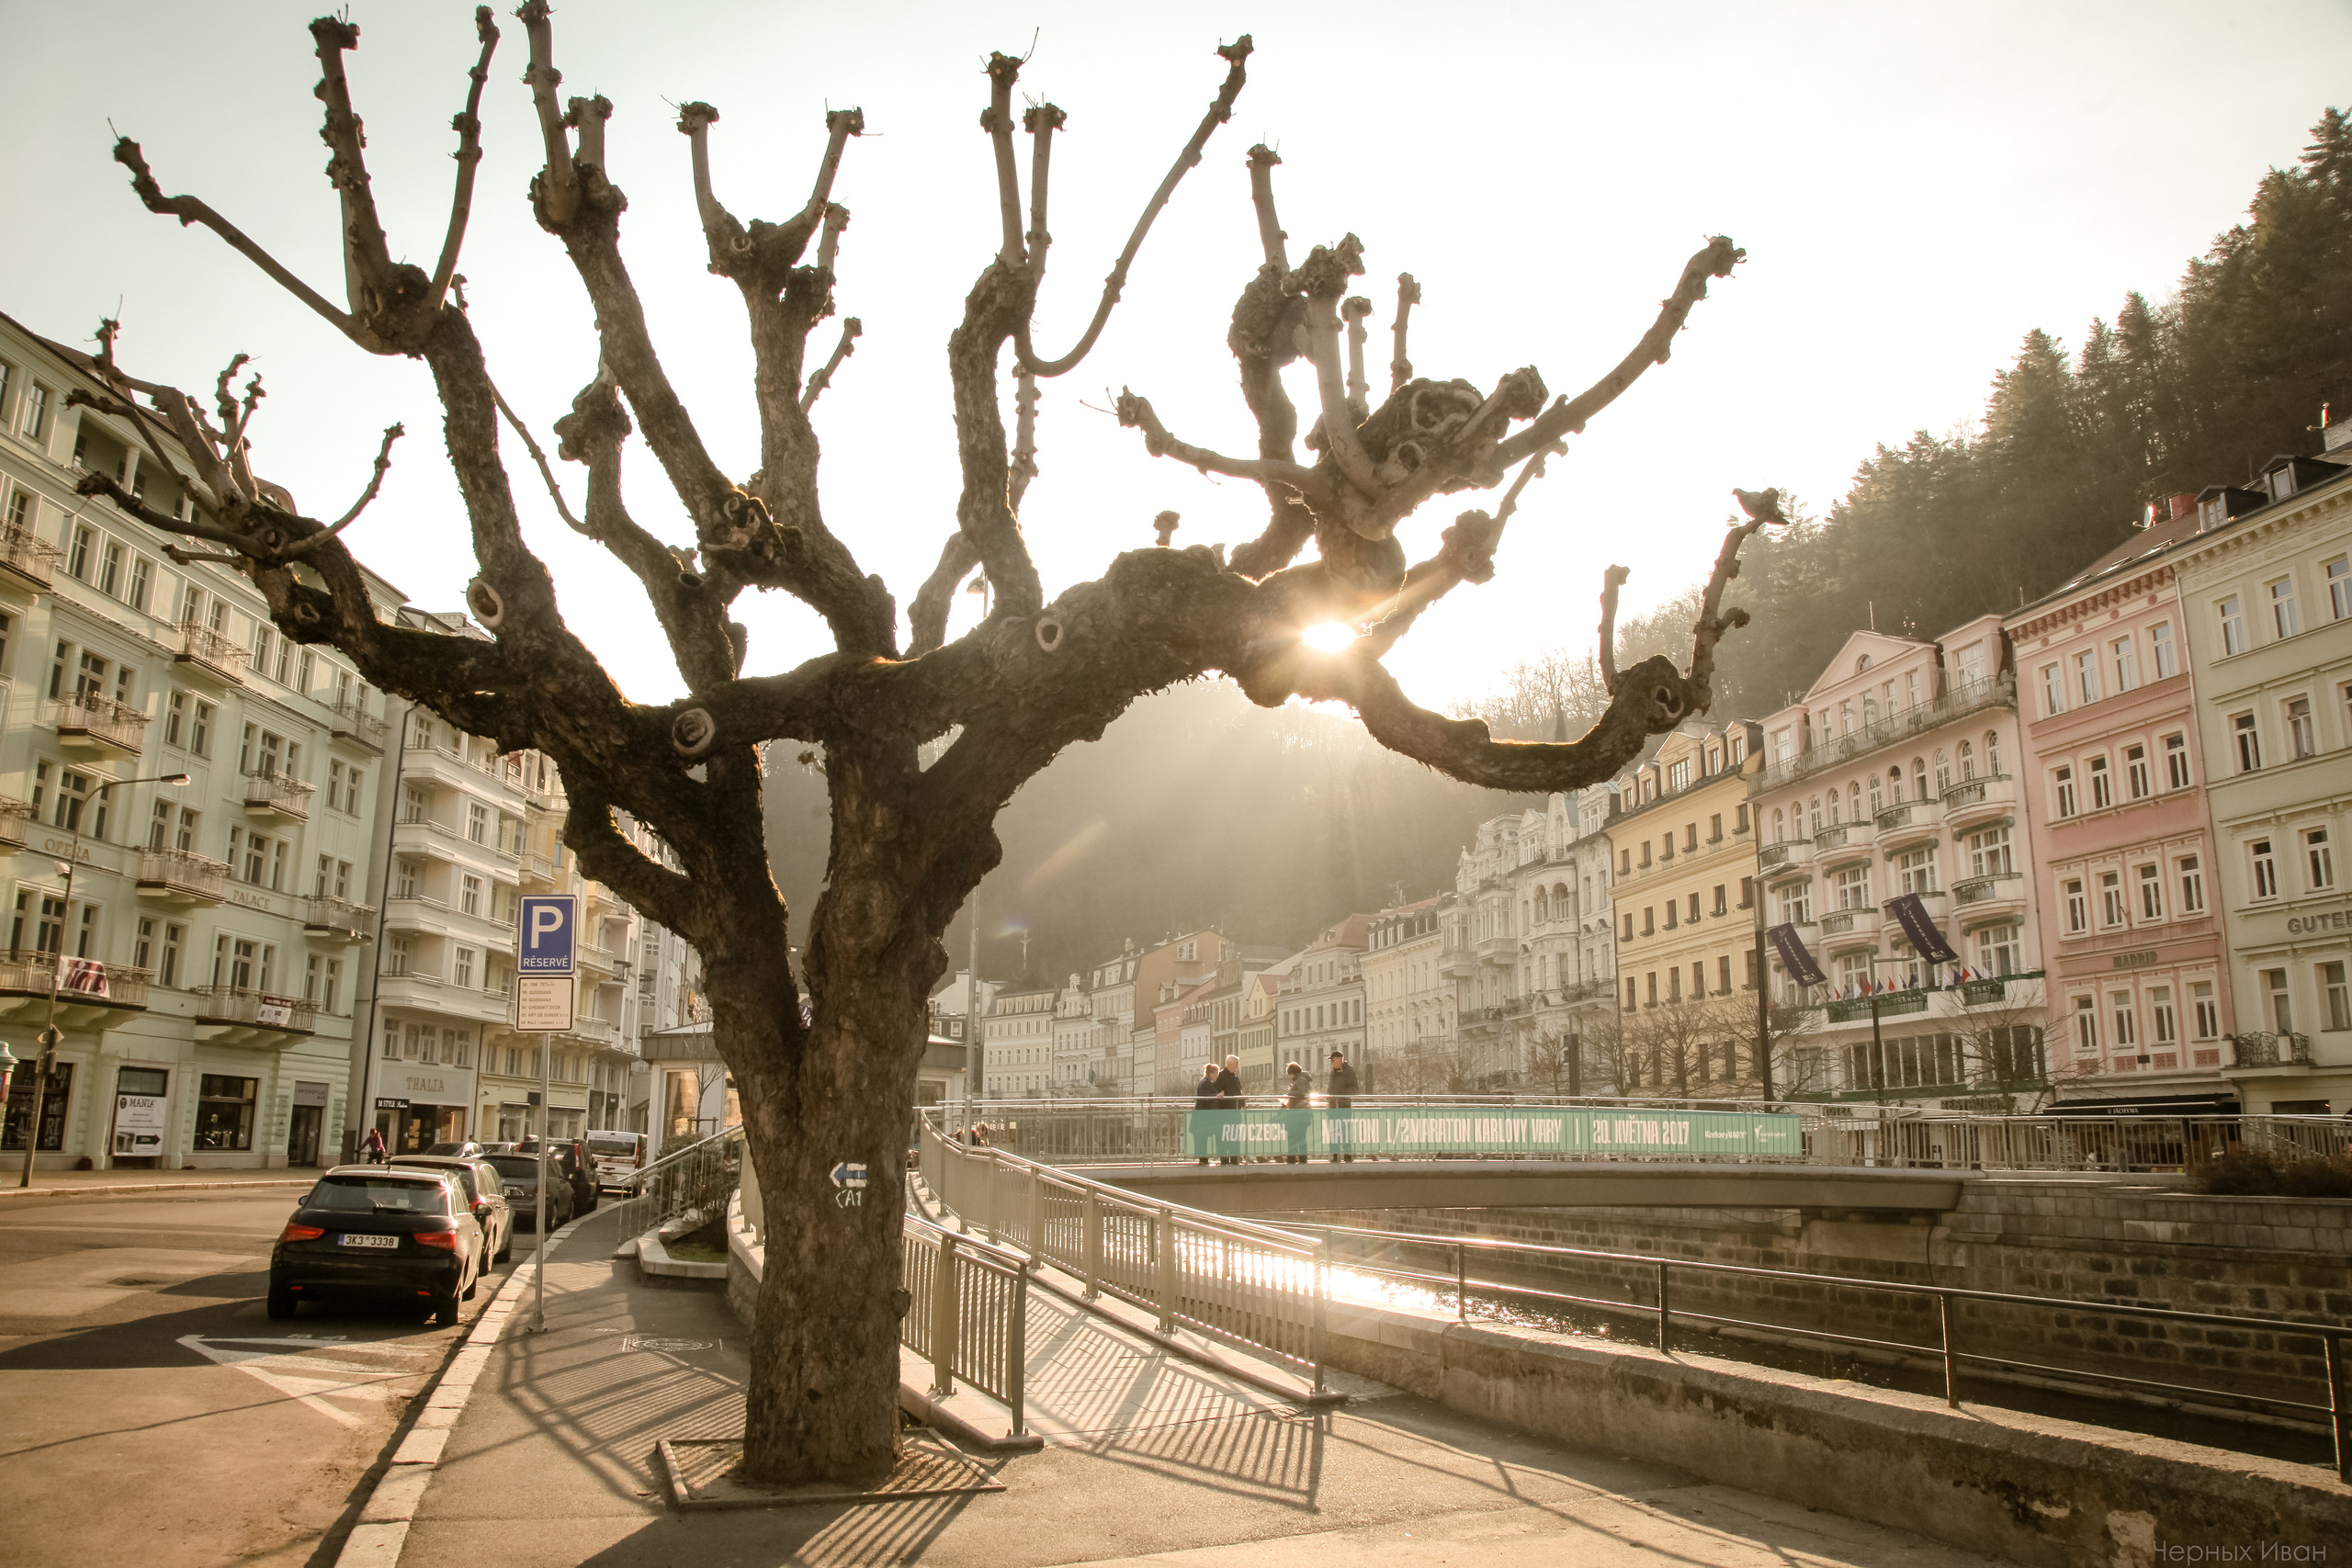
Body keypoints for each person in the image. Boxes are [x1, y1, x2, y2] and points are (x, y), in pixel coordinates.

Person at [1326, 1050, 1359, 1162]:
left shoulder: (1349, 1071)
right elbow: (1330, 1088)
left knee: (1345, 1132)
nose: (1331, 1063)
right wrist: (1329, 1098)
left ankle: (1347, 1156)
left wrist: (1340, 1094)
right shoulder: (1332, 1072)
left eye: (1333, 1060)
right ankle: (1335, 1156)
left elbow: (1354, 1089)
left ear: (1340, 1060)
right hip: (1333, 1107)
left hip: (1344, 1106)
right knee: (1334, 1132)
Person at [1281, 1061, 1312, 1163]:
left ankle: (1295, 1158)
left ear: (1293, 1072)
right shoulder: (1300, 1079)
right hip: (1299, 1113)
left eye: (1290, 1074)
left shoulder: (1301, 1080)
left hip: (1299, 1113)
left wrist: (1290, 1093)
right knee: (1298, 1136)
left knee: (1296, 1136)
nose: (1290, 1076)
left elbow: (1303, 1092)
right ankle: (1297, 1158)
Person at [1215, 1055, 1244, 1166]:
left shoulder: (1234, 1076)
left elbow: (1238, 1091)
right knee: (1224, 1138)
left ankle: (1235, 1159)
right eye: (1236, 1065)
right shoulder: (1221, 1076)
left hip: (1235, 1112)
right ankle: (1225, 1160)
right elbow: (1218, 1092)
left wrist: (1241, 1102)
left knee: (1235, 1137)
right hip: (1225, 1113)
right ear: (1231, 1065)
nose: (1237, 1068)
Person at [1193, 1061, 1222, 1166]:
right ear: (1212, 1073)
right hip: (1203, 1117)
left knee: (1202, 1138)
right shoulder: (1206, 1083)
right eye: (1217, 1073)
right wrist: (1217, 1095)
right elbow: (1206, 1097)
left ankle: (1204, 1159)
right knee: (1203, 1138)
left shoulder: (1205, 1082)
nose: (1218, 1076)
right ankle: (1203, 1160)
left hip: (1202, 1117)